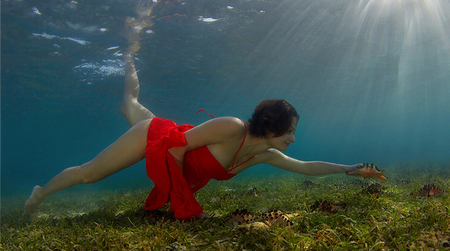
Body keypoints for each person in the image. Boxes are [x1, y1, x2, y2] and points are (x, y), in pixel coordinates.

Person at [24, 55, 363, 220]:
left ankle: (129, 79)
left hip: (169, 132)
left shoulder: (263, 154)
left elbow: (305, 167)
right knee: (90, 174)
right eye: (290, 132)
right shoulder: (232, 127)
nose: (292, 140)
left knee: (131, 106)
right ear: (271, 127)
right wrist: (181, 199)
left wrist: (350, 167)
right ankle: (41, 193)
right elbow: (174, 145)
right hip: (156, 137)